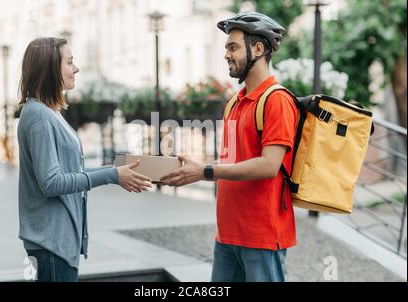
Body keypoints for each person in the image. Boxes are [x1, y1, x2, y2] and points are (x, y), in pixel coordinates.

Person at [160, 12, 298, 282]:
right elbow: (232, 161)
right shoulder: (234, 102)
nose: (226, 54)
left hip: (262, 238)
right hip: (227, 235)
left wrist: (205, 172)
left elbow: (269, 166)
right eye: (226, 48)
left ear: (258, 49)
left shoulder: (277, 101)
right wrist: (195, 167)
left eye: (233, 47)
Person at [17, 37, 152, 282]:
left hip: (57, 241)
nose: (76, 68)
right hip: (50, 244)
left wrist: (114, 171)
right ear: (50, 68)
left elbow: (71, 169)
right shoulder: (39, 116)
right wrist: (111, 176)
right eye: (69, 62)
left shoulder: (49, 112)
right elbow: (51, 183)